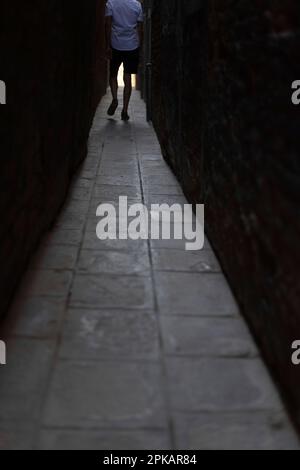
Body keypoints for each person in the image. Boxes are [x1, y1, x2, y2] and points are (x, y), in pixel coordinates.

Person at [105, 0, 144, 121]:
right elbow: (140, 29)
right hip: (132, 45)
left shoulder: (110, 3)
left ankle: (115, 98)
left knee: (113, 74)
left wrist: (107, 45)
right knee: (127, 77)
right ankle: (125, 110)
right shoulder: (137, 5)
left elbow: (107, 25)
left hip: (115, 44)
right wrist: (140, 47)